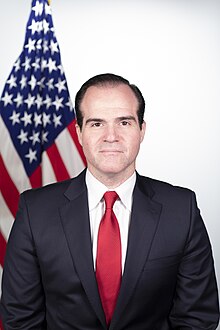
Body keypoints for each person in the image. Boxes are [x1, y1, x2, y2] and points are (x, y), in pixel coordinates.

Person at [0, 73, 219, 330]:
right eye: (96, 124)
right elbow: (20, 319)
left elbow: (197, 318)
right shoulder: (34, 211)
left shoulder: (182, 209)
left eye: (124, 122)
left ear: (142, 130)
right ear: (79, 133)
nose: (111, 136)